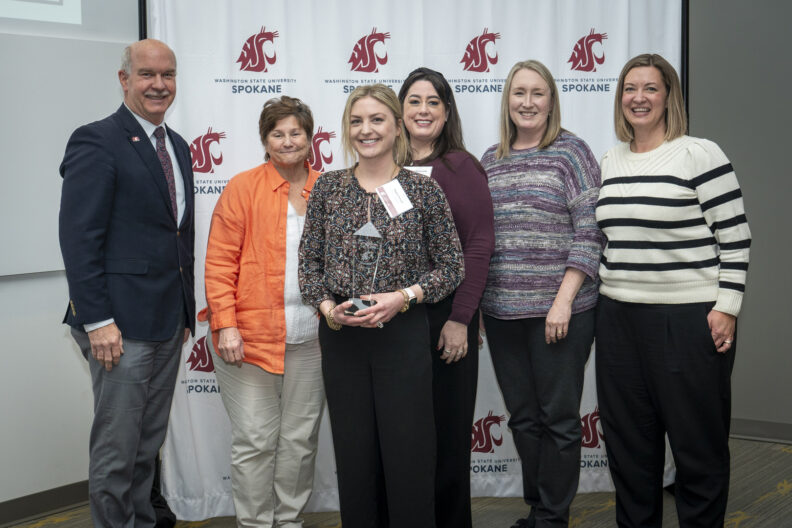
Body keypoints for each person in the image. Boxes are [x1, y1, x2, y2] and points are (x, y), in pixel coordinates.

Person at [595, 53, 751, 528]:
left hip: (687, 320)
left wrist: (727, 307)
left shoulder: (699, 154)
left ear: (669, 97)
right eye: (629, 89)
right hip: (618, 319)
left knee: (697, 451)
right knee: (630, 452)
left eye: (650, 88)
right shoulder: (610, 160)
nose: (638, 98)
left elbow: (736, 236)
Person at [299, 84, 464, 528]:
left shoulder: (422, 190)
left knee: (408, 457)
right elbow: (308, 264)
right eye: (357, 121)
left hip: (403, 337)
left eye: (376, 120)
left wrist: (403, 297)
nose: (366, 130)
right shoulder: (329, 189)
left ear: (396, 127)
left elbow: (452, 266)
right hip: (342, 340)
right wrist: (327, 307)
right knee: (355, 459)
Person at [58, 39, 195, 527]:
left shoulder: (177, 146)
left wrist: (184, 309)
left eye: (168, 74)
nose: (159, 84)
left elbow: (178, 236)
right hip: (117, 325)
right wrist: (97, 321)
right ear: (124, 80)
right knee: (117, 451)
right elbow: (79, 240)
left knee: (146, 446)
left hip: (164, 321)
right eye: (146, 74)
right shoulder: (96, 140)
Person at [480, 60, 603, 528]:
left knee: (559, 418)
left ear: (552, 100)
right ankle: (538, 509)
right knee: (523, 418)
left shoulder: (571, 153)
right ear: (507, 100)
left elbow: (590, 231)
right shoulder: (493, 158)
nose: (527, 102)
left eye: (537, 93)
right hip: (503, 313)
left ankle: (553, 518)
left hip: (561, 312)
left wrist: (564, 299)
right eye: (518, 93)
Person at [203, 96, 325, 527]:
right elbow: (219, 263)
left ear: (310, 138)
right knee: (256, 440)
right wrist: (227, 325)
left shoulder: (327, 189)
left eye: (296, 132)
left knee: (299, 440)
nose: (288, 141)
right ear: (265, 139)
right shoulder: (242, 187)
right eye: (278, 134)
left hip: (311, 338)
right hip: (248, 339)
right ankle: (255, 524)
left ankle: (289, 521)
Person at [397, 67, 494, 528]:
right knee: (403, 438)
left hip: (445, 321)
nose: (422, 110)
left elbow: (478, 245)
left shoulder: (461, 168)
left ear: (447, 111)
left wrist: (461, 318)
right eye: (414, 101)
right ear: (400, 110)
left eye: (432, 101)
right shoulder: (382, 167)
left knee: (447, 439)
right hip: (392, 321)